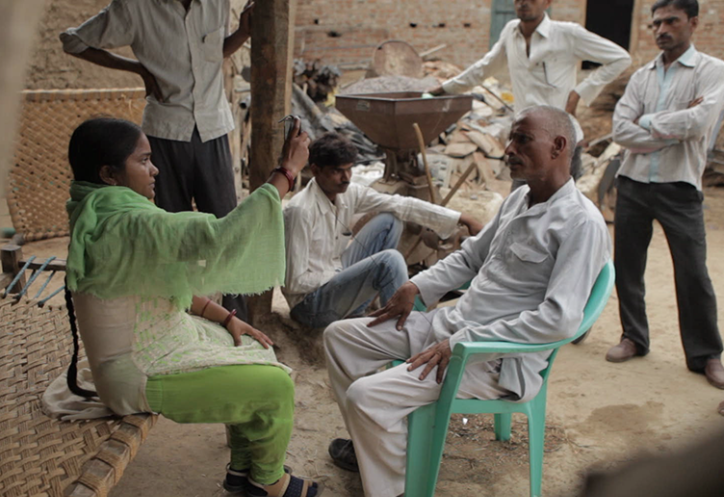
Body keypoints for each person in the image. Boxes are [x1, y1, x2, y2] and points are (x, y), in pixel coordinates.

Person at [323, 106, 610, 497]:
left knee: (366, 395)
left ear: (559, 146)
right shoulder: (518, 197)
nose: (507, 150)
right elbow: (472, 256)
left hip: (491, 359)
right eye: (510, 140)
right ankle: (380, 444)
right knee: (340, 337)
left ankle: (395, 489)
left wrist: (462, 342)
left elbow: (560, 320)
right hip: (451, 327)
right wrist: (417, 287)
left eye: (521, 140)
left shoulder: (581, 224)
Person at [56, 117, 321, 497]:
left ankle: (243, 466)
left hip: (155, 343)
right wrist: (287, 171)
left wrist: (228, 317)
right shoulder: (126, 222)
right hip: (136, 372)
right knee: (276, 386)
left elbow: (156, 286)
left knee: (252, 347)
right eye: (144, 161)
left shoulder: (99, 212)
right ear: (109, 174)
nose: (155, 169)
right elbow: (220, 238)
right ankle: (268, 479)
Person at [60, 0, 253, 317]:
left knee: (226, 233)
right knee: (171, 236)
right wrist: (135, 67)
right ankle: (181, 319)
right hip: (164, 133)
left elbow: (212, 54)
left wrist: (243, 33)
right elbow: (73, 41)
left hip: (213, 129)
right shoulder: (135, 8)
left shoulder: (217, 3)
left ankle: (237, 321)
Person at [606, 0, 724, 388]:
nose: (662, 29)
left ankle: (706, 354)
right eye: (656, 22)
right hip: (634, 182)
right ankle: (634, 337)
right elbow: (620, 130)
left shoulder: (713, 72)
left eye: (671, 21)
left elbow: (699, 122)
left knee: (693, 272)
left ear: (692, 22)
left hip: (680, 186)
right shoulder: (641, 76)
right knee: (628, 266)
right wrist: (664, 131)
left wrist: (647, 122)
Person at [283, 132, 483, 328]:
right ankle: (404, 334)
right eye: (337, 171)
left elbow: (401, 204)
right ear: (316, 170)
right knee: (390, 260)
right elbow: (294, 282)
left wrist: (461, 218)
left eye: (349, 169)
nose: (346, 178)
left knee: (390, 219)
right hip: (309, 306)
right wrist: (344, 275)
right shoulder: (300, 211)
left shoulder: (348, 192)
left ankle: (364, 310)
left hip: (335, 279)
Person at [429, 0, 631, 182]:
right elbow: (483, 68)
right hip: (524, 140)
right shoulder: (510, 32)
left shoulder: (567, 34)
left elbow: (620, 58)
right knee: (519, 206)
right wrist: (444, 89)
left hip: (559, 143)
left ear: (547, 2)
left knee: (558, 211)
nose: (524, 3)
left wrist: (579, 93)